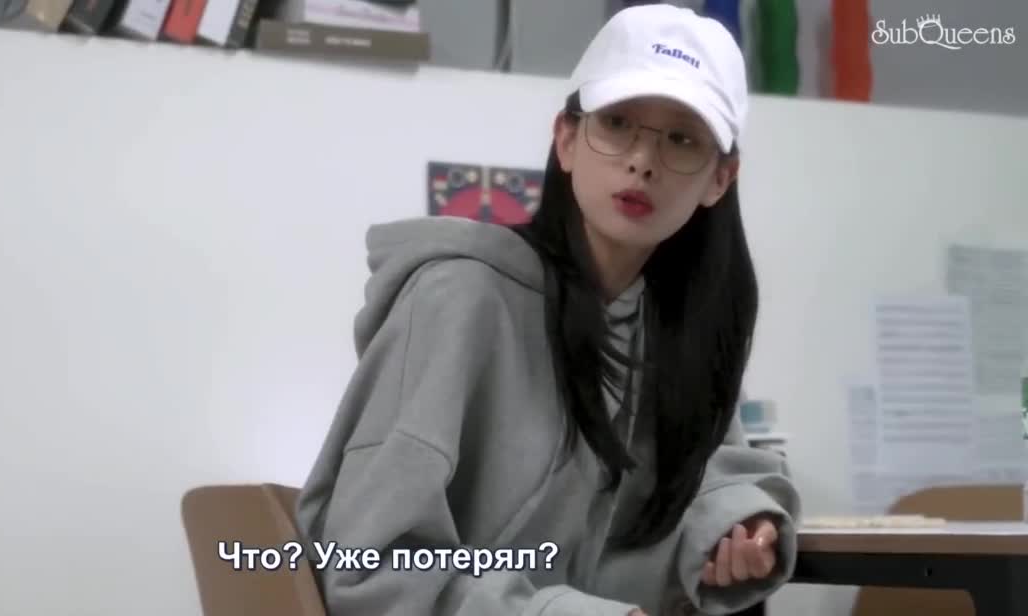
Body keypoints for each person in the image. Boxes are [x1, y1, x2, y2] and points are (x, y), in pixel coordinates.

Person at [294, 5, 801, 616]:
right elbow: (368, 567)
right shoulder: (458, 297)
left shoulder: (673, 326)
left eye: (681, 139)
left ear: (720, 179)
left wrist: (738, 524)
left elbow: (712, 473)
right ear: (566, 139)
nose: (643, 160)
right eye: (617, 122)